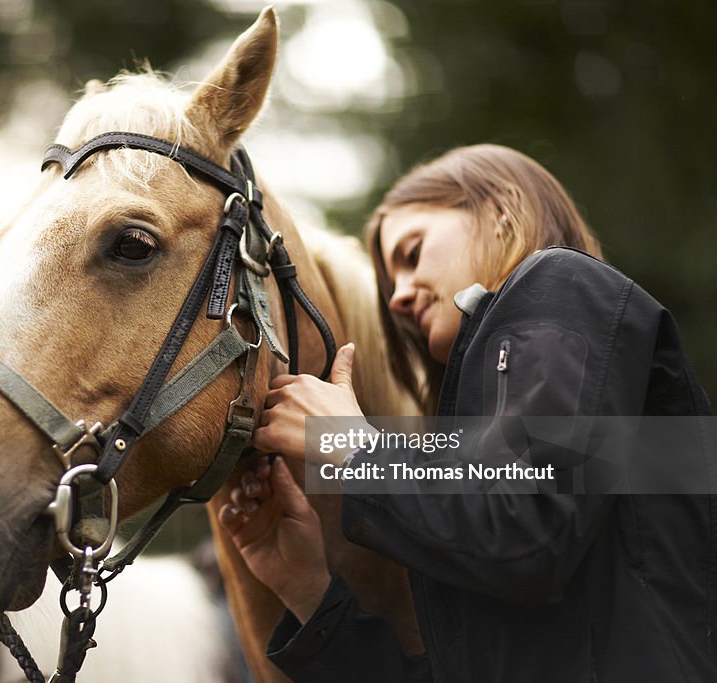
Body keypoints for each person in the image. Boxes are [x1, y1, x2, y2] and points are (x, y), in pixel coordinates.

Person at [219, 144, 715, 682]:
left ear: (501, 211)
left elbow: (528, 526)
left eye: (411, 254)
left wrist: (352, 448)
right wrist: (310, 593)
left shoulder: (561, 283)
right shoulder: (475, 450)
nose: (400, 298)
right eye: (389, 287)